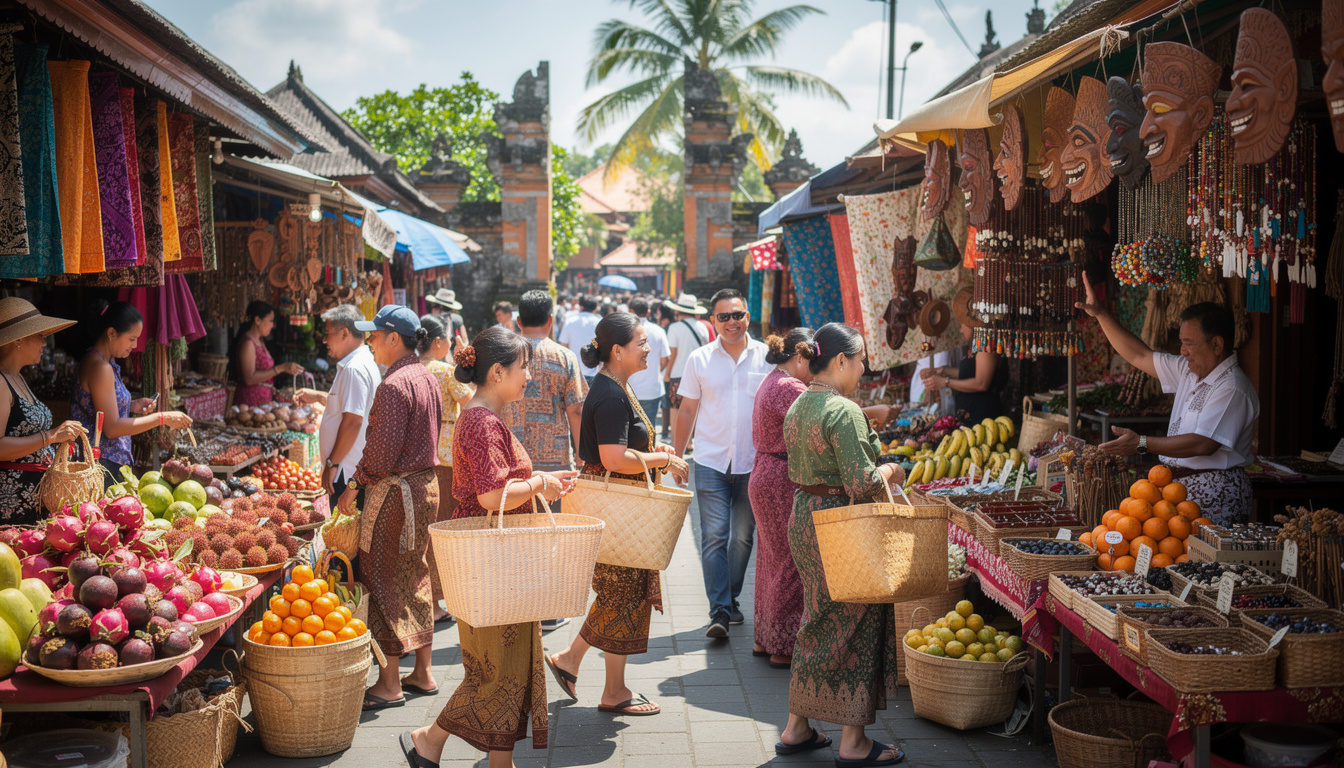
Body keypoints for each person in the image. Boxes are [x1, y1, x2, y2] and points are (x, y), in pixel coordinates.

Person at [400, 327, 576, 768]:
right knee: (496, 669)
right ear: (497, 371)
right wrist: (540, 482)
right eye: (523, 368)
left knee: (510, 664)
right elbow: (492, 496)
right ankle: (428, 738)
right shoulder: (479, 421)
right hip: (489, 561)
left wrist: (543, 484)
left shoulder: (485, 418)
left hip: (501, 558)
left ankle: (494, 760)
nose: (529, 376)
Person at [544, 312, 690, 718]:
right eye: (642, 342)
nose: (648, 349)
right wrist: (659, 457)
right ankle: (604, 685)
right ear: (617, 350)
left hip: (621, 507)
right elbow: (613, 457)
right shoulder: (609, 394)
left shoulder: (615, 386)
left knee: (621, 594)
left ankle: (589, 673)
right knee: (621, 593)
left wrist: (655, 457)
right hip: (616, 509)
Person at [776, 323, 906, 767]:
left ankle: (797, 727)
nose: (864, 367)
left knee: (818, 619)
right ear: (840, 361)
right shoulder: (844, 410)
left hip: (806, 517)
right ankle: (853, 742)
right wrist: (892, 471)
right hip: (842, 525)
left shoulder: (800, 403)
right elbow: (862, 482)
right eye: (861, 359)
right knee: (855, 623)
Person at [1077, 279, 1260, 525]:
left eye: (1188, 343)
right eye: (1181, 342)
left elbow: (1203, 444)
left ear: (1217, 344)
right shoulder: (1188, 370)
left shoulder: (1232, 387)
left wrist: (1141, 443)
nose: (1182, 350)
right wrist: (1100, 315)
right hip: (1175, 493)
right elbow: (1138, 354)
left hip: (1216, 496)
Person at [336, 305, 442, 712]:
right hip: (422, 489)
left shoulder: (395, 384)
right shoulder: (425, 375)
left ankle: (389, 682)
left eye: (375, 336)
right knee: (415, 572)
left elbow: (380, 454)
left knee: (379, 573)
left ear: (393, 338)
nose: (371, 343)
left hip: (395, 493)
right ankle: (424, 672)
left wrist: (354, 486)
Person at [674, 289, 770, 638]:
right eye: (724, 316)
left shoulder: (767, 358)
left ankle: (729, 600)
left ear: (748, 316)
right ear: (712, 321)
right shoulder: (699, 359)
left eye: (738, 315)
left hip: (753, 462)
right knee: (714, 535)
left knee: (743, 537)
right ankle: (719, 611)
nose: (732, 322)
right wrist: (676, 456)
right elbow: (687, 410)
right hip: (711, 460)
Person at [748, 328, 814, 669]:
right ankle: (782, 647)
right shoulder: (789, 386)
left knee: (773, 559)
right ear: (799, 357)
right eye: (812, 361)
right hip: (779, 478)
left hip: (766, 473)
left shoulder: (774, 379)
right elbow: (818, 420)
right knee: (789, 559)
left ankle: (766, 637)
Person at [72, 301, 191, 476]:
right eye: (131, 339)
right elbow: (112, 428)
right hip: (100, 465)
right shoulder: (100, 367)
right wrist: (162, 418)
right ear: (111, 333)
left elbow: (98, 409)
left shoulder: (103, 362)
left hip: (105, 462)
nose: (134, 346)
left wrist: (131, 405)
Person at [0, 298, 87, 524]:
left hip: (33, 498)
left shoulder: (18, 378)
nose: (44, 343)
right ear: (18, 340)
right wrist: (50, 436)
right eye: (39, 335)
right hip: (11, 502)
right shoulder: (1, 382)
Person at [416, 314, 474, 624]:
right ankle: (440, 601)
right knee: (445, 531)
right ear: (438, 342)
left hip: (421, 458)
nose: (451, 344)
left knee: (427, 532)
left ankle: (431, 599)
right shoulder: (445, 372)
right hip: (448, 461)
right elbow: (472, 403)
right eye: (449, 339)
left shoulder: (412, 370)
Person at [294, 305, 381, 497]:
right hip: (352, 471)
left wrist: (332, 463)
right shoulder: (360, 363)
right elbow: (351, 407)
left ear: (345, 333)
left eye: (327, 333)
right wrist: (318, 396)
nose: (324, 340)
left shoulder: (353, 369)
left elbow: (353, 422)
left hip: (347, 473)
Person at [919, 288, 1006, 423]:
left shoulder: (985, 347)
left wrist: (945, 382)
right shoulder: (976, 345)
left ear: (972, 325)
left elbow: (981, 383)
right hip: (970, 414)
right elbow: (969, 374)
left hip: (983, 417)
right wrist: (942, 370)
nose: (960, 330)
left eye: (962, 325)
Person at [232, 300, 303, 406]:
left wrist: (269, 387)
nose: (272, 325)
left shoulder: (259, 341)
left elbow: (262, 375)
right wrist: (281, 368)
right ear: (257, 320)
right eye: (270, 321)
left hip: (262, 402)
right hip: (249, 403)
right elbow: (249, 379)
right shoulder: (248, 344)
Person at [663, 292, 710, 449]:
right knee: (694, 408)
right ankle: (689, 441)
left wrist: (667, 373)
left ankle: (677, 441)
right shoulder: (702, 326)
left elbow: (673, 353)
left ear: (678, 311)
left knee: (675, 408)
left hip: (678, 373)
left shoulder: (674, 328)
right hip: (699, 373)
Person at [626, 296, 669, 434]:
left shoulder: (625, 332)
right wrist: (655, 370)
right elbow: (665, 359)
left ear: (630, 311)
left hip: (629, 388)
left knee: (628, 432)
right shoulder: (658, 331)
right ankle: (648, 456)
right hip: (652, 388)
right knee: (649, 432)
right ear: (648, 312)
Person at [558, 295, 601, 382]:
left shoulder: (570, 321)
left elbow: (563, 344)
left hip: (573, 370)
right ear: (595, 308)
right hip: (594, 371)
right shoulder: (599, 322)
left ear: (581, 307)